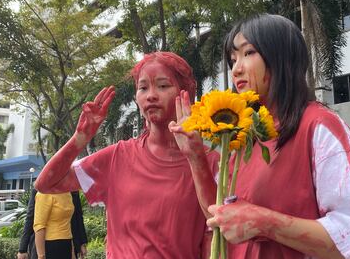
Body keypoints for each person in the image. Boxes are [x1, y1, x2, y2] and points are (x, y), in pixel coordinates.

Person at [170, 14, 350, 258]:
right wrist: (195, 155)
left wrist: (264, 221)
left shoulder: (320, 126)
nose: (237, 69)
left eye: (248, 53)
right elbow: (220, 219)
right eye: (233, 59)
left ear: (281, 57)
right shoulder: (246, 136)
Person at [34, 51, 217, 258]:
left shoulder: (209, 163)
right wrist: (80, 138)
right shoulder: (116, 157)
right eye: (143, 87)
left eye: (163, 86)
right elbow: (46, 184)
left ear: (187, 94)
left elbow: (218, 230)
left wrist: (195, 158)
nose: (151, 95)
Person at [17, 189, 87, 259]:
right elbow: (31, 219)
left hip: (67, 243)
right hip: (45, 244)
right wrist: (23, 249)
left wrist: (81, 243)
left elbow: (78, 216)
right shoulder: (41, 190)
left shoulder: (71, 191)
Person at [33, 192, 74, 259]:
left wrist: (72, 252)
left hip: (67, 243)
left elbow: (68, 224)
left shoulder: (67, 193)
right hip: (50, 244)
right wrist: (41, 255)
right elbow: (39, 226)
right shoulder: (44, 193)